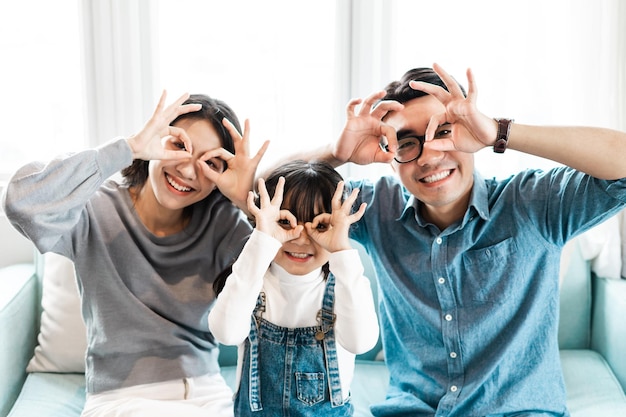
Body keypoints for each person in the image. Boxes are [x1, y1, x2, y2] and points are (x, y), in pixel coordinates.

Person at [270, 64, 626, 416]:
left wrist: (498, 132)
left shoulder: (533, 202)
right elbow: (263, 194)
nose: (429, 156)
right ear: (389, 158)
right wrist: (337, 152)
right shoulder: (376, 208)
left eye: (443, 132)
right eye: (407, 144)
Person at [2, 91, 269, 417]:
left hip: (206, 394)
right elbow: (21, 202)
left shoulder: (222, 222)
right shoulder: (95, 209)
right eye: (179, 146)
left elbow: (288, 277)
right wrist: (128, 148)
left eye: (210, 163)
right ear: (158, 139)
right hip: (120, 398)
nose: (188, 170)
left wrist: (246, 202)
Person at [208, 160, 379, 416]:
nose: (300, 238)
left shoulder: (346, 282)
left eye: (320, 226)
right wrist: (262, 241)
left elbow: (360, 343)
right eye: (286, 223)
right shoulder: (252, 277)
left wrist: (341, 250)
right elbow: (226, 333)